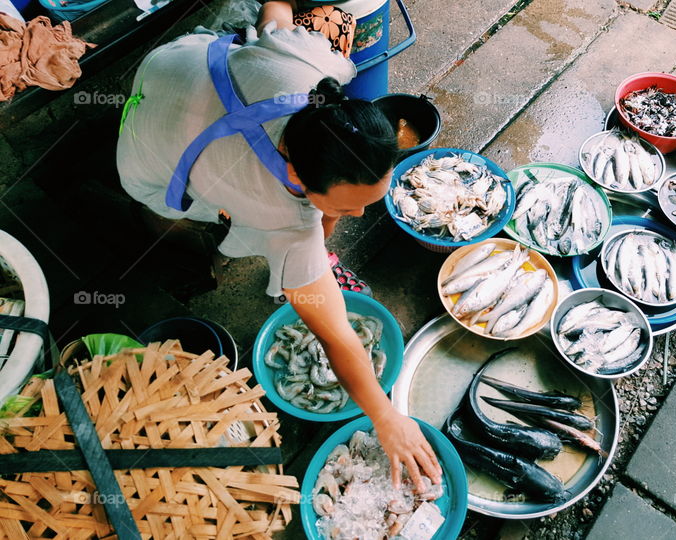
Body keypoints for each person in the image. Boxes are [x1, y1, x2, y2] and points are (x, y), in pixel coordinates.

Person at [115, 0, 441, 490]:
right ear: (294, 174)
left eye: (367, 202)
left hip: (174, 65)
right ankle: (180, 237)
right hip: (147, 151)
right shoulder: (279, 214)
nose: (359, 216)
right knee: (192, 211)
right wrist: (386, 416)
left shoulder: (318, 73)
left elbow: (276, 13)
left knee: (314, 220)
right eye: (348, 207)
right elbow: (335, 335)